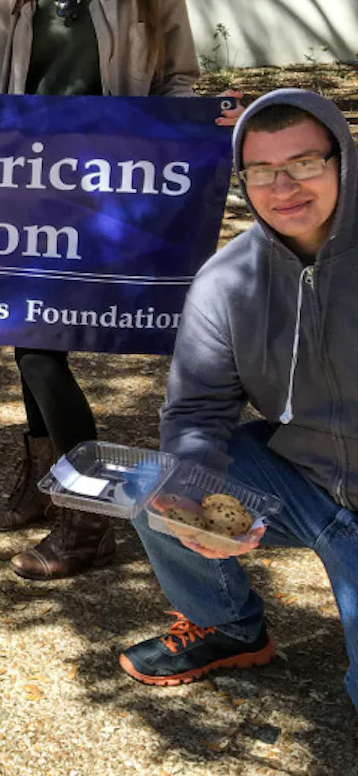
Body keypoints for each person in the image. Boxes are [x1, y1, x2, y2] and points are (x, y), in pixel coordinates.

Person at [0, 0, 225, 579]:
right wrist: (5, 131)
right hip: (26, 192)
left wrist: (167, 148)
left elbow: (179, 80)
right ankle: (44, 482)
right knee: (26, 334)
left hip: (106, 193)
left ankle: (89, 516)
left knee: (43, 345)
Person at [116, 89, 357, 711]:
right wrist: (191, 493)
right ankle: (227, 626)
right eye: (261, 172)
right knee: (155, 487)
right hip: (303, 478)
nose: (284, 188)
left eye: (305, 163)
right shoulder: (227, 281)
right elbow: (198, 409)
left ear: (342, 158)